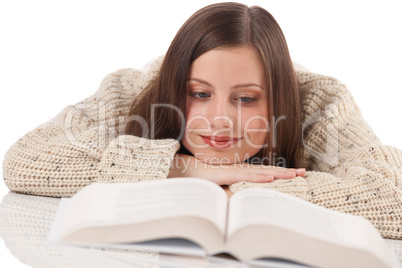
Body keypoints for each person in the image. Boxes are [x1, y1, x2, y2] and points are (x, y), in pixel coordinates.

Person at [2, 2, 402, 239]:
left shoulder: (321, 101)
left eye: (245, 99)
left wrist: (243, 183)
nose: (220, 121)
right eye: (199, 94)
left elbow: (392, 199)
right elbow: (26, 159)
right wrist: (182, 169)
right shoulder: (134, 90)